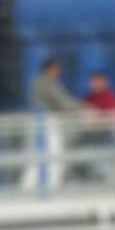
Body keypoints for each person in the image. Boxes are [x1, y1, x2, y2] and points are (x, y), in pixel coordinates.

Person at [25, 58, 82, 191]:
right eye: (57, 69)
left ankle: (32, 186)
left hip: (41, 122)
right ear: (50, 68)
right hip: (46, 122)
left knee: (39, 155)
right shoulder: (46, 82)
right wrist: (83, 107)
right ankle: (48, 186)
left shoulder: (38, 81)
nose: (59, 72)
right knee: (54, 154)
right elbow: (61, 102)